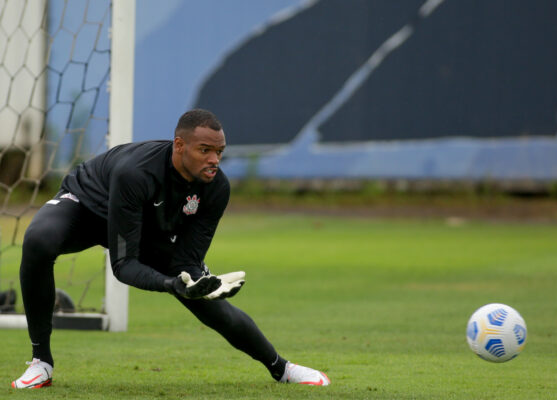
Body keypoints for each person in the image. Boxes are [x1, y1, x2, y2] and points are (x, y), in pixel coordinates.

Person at [11, 109, 330, 389]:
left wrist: (195, 283)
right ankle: (42, 363)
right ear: (179, 146)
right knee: (38, 240)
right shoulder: (136, 172)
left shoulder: (217, 188)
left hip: (140, 224)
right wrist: (168, 284)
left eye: (219, 151)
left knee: (203, 297)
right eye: (205, 150)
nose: (214, 160)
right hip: (89, 207)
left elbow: (187, 262)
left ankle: (282, 368)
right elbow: (123, 266)